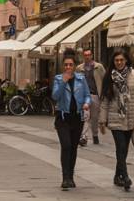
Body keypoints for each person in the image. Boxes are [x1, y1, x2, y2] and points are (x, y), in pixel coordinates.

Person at [98, 48, 134, 191]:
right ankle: (126, 177)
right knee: (120, 147)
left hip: (130, 117)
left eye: (121, 60)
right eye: (116, 60)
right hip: (115, 117)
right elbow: (104, 100)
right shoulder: (109, 77)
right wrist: (102, 120)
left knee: (125, 150)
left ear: (126, 60)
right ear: (113, 62)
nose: (119, 62)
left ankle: (117, 176)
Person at [52, 48, 91, 190]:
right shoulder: (58, 79)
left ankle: (71, 177)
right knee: (66, 146)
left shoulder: (81, 79)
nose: (68, 67)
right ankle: (64, 177)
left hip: (77, 118)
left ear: (74, 66)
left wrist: (87, 103)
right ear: (63, 66)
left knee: (73, 148)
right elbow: (55, 96)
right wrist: (63, 81)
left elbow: (87, 94)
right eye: (66, 65)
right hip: (63, 118)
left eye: (70, 65)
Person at [77, 48, 106, 145]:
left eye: (89, 55)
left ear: (92, 55)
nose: (87, 57)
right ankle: (84, 137)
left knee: (94, 117)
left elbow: (105, 80)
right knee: (85, 116)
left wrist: (104, 93)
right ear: (83, 56)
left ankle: (95, 135)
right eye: (85, 55)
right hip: (84, 96)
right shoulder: (79, 68)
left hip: (95, 95)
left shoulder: (99, 67)